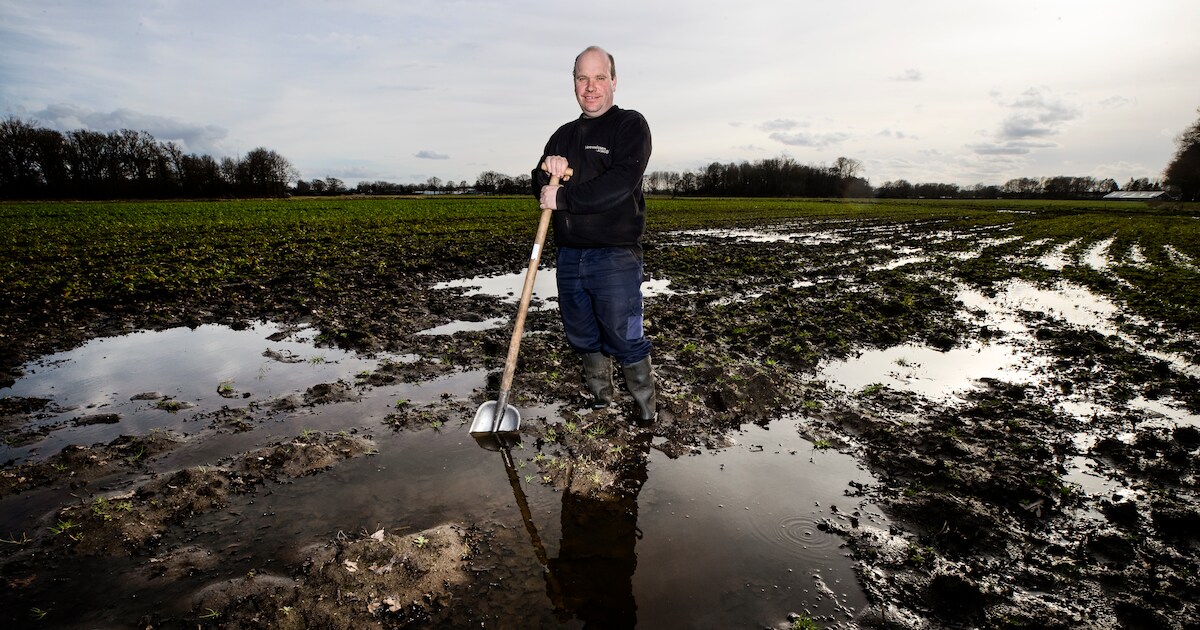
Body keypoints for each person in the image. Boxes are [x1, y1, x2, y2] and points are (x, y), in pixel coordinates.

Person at [533, 45, 656, 423]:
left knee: (623, 333)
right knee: (582, 333)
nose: (591, 87)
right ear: (574, 84)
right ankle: (602, 400)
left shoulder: (629, 126)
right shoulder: (563, 135)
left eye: (599, 77)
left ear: (613, 81)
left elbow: (619, 183)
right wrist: (546, 170)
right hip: (570, 254)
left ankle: (645, 409)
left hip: (615, 254)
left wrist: (564, 197)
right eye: (582, 78)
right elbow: (541, 186)